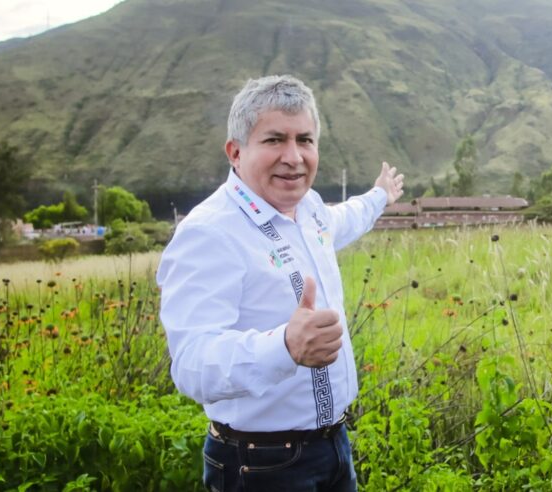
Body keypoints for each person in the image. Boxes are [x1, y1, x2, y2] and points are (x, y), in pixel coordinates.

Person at [157, 74, 404, 491]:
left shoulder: (308, 210)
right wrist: (285, 347)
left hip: (333, 447)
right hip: (262, 465)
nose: (294, 157)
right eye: (274, 140)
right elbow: (192, 364)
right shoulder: (210, 232)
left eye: (305, 140)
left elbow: (345, 218)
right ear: (236, 152)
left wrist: (379, 195)